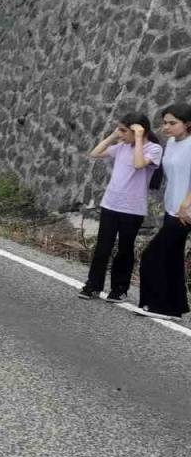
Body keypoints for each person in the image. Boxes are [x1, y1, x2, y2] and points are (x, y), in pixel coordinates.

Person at [80, 113, 162, 302]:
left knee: (125, 249)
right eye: (120, 130)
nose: (121, 134)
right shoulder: (121, 146)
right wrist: (113, 135)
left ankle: (119, 289)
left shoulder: (154, 149)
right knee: (102, 248)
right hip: (110, 205)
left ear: (139, 131)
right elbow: (94, 153)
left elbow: (138, 164)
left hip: (132, 209)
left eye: (124, 131)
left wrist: (139, 138)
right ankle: (93, 286)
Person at [139, 104, 191, 320]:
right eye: (165, 123)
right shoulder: (170, 143)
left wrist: (186, 204)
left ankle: (160, 306)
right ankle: (175, 308)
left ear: (187, 124)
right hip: (172, 208)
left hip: (185, 212)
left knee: (153, 255)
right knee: (172, 257)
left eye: (172, 123)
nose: (166, 127)